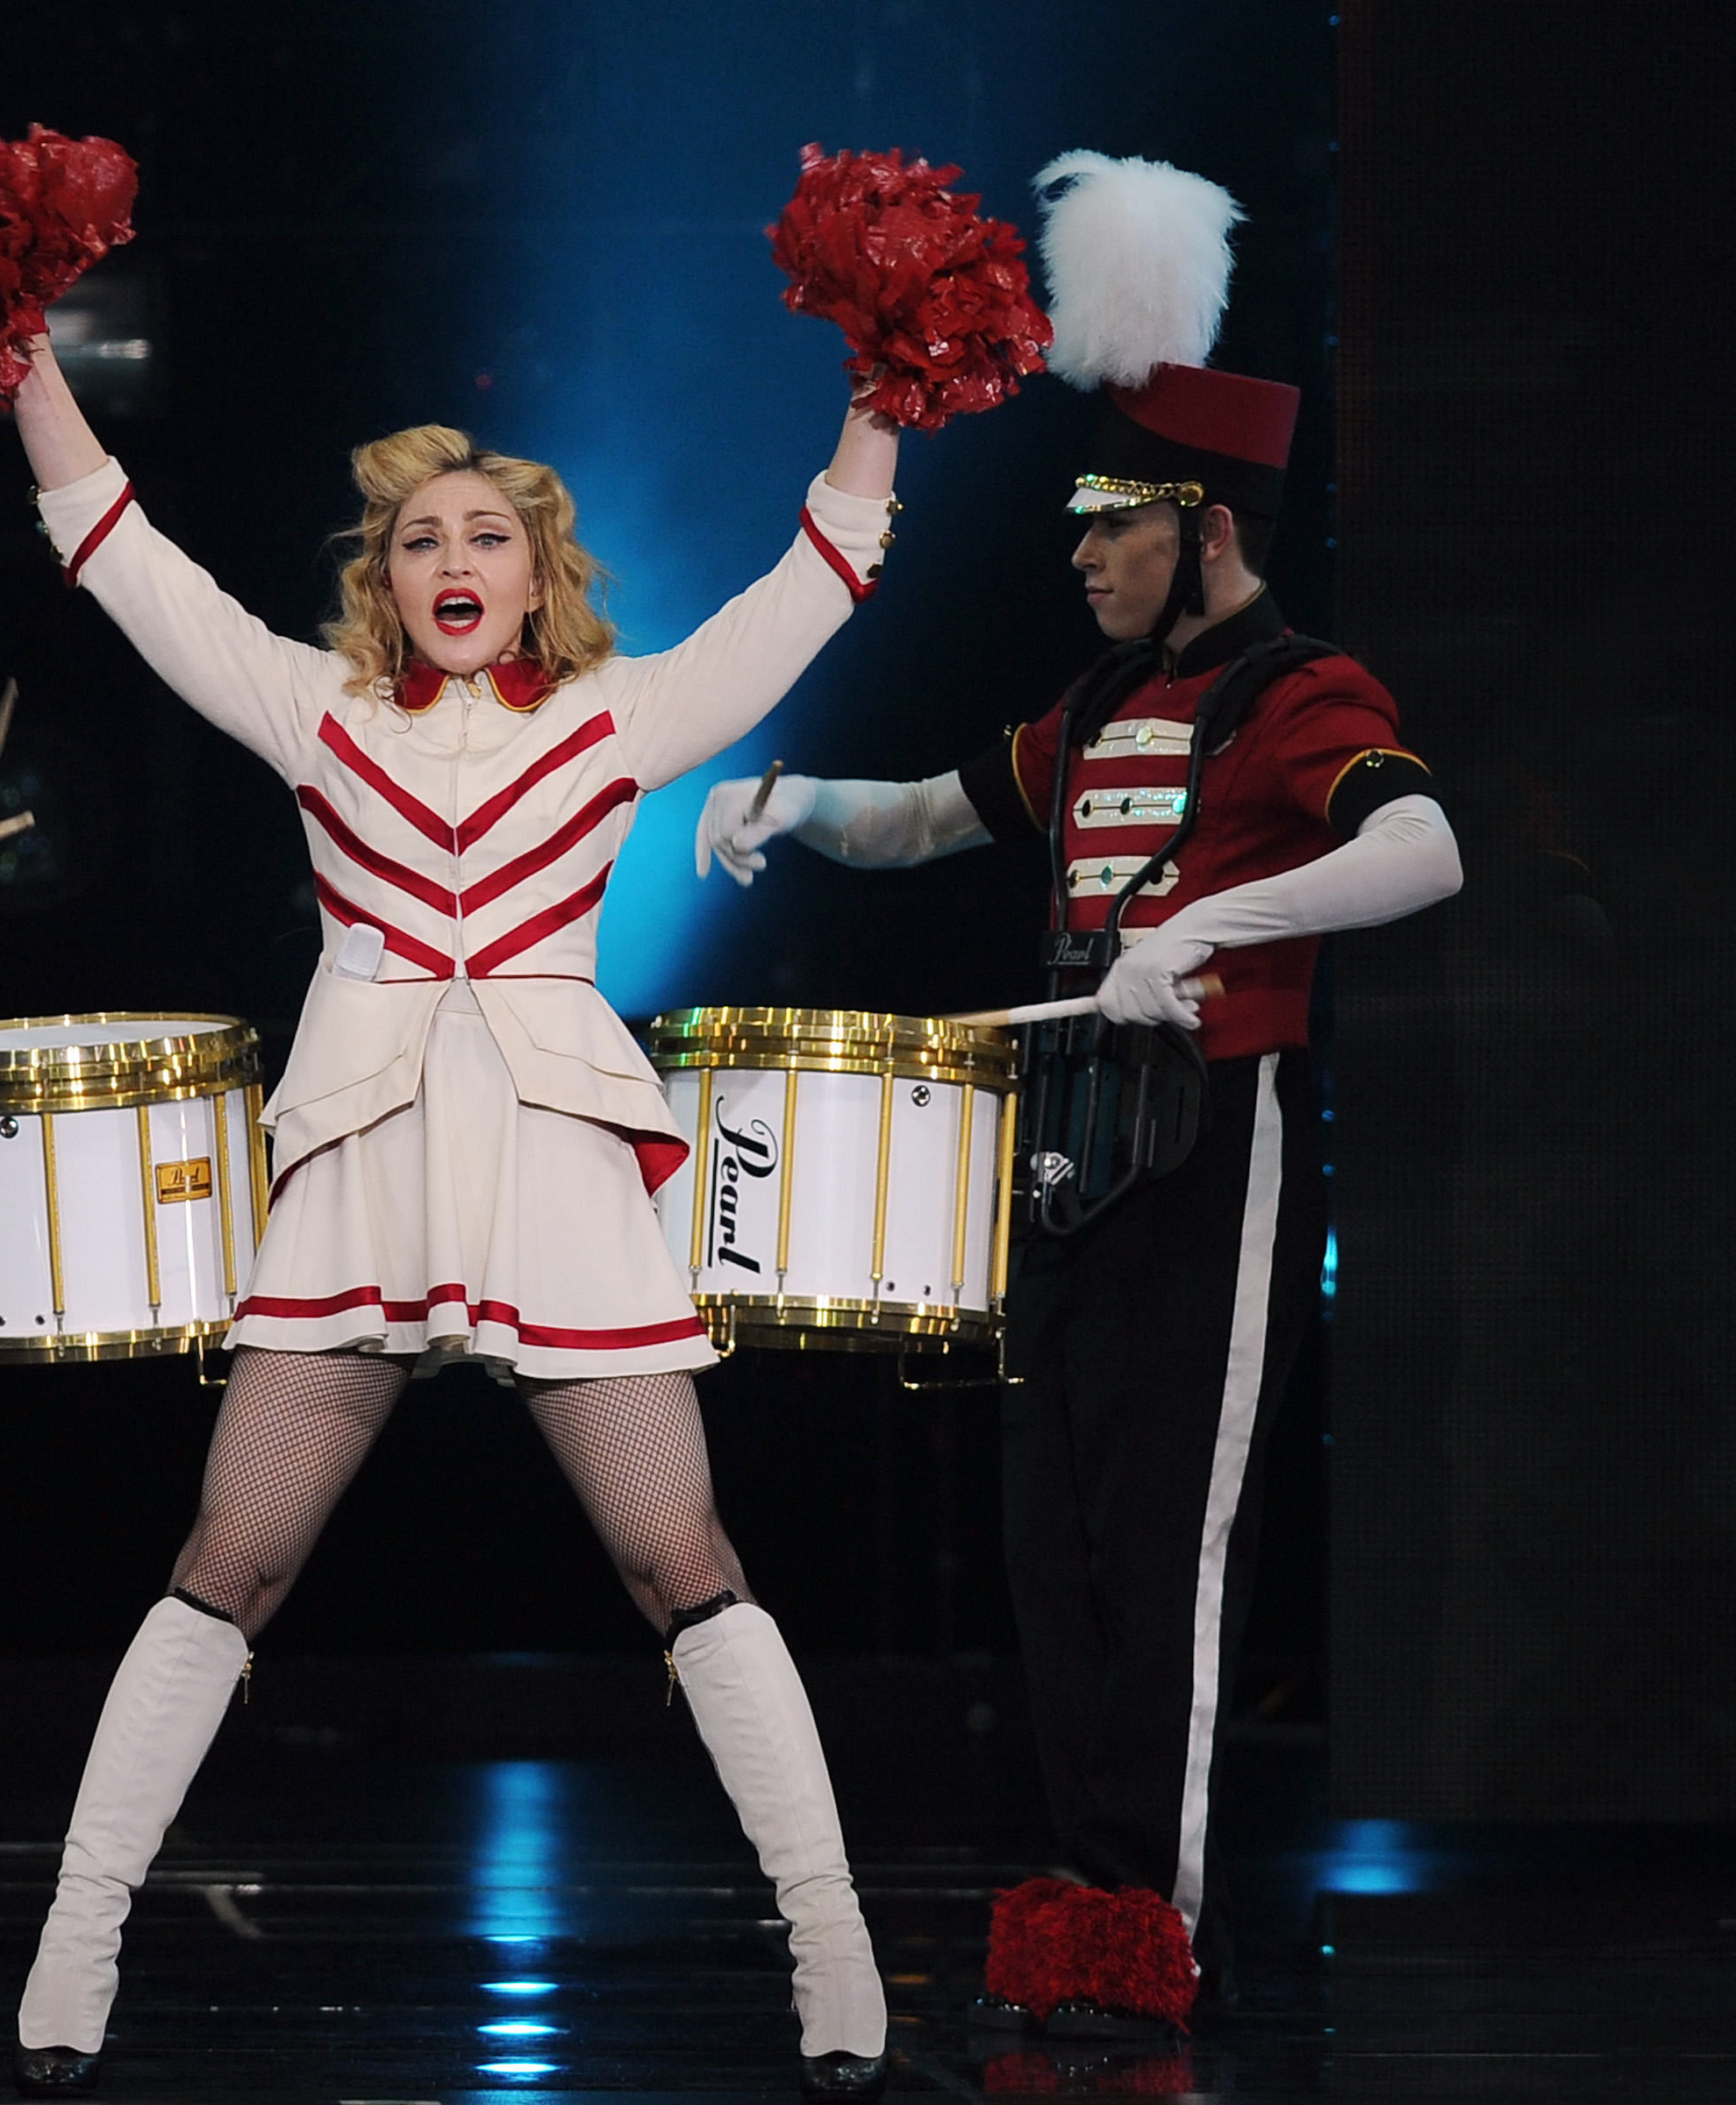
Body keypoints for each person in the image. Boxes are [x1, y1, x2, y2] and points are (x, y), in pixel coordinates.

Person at [0, 317, 903, 2094]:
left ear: (541, 568)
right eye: (422, 539)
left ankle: (836, 1938)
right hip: (363, 1164)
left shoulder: (622, 712)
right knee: (229, 1560)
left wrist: (884, 402)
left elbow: (810, 584)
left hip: (559, 1162)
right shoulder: (311, 706)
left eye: (487, 534)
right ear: (383, 580)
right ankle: (76, 1934)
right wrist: (19, 348)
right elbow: (119, 550)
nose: (454, 560)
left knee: (680, 1559)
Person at [695, 153, 1461, 2038]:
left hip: (1215, 1147)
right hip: (1067, 1158)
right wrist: (792, 806)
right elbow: (933, 821)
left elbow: (1427, 851)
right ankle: (1080, 1880)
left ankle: (1151, 1909)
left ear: (1201, 525)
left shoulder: (1302, 690)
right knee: (1058, 1527)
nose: (1081, 554)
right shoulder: (1087, 709)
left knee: (1177, 1535)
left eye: (1109, 526)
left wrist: (1212, 929)